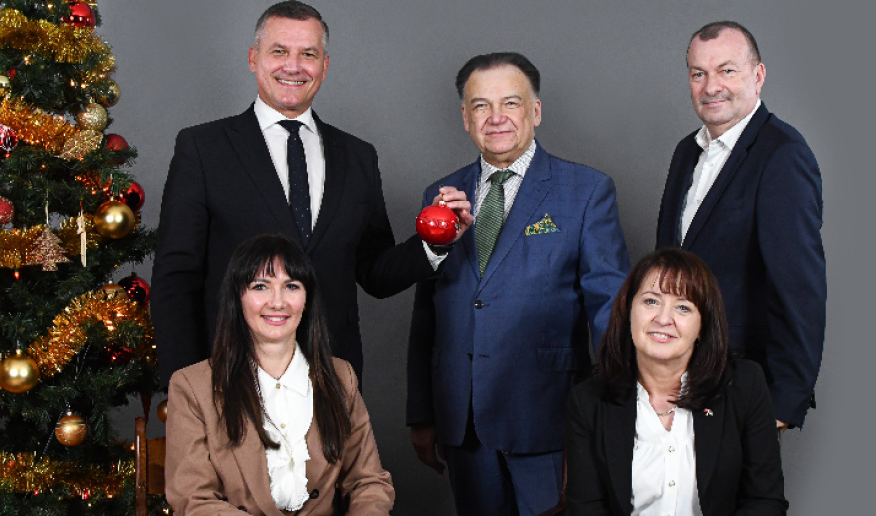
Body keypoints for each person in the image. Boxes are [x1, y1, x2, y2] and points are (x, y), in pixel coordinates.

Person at [151, 0, 471, 388]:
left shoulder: (357, 156)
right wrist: (185, 387)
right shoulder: (203, 148)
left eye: (308, 54)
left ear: (324, 65)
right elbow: (175, 279)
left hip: (331, 379)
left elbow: (374, 272)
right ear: (253, 58)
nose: (293, 66)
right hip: (232, 380)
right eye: (279, 51)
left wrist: (433, 244)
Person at [406, 52, 630, 515]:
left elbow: (610, 309)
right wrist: (422, 413)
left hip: (549, 420)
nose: (496, 117)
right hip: (463, 422)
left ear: (536, 111)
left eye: (510, 102)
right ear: (465, 118)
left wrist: (614, 409)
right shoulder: (441, 195)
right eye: (481, 106)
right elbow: (428, 313)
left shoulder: (586, 191)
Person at [656, 21, 826, 430]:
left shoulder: (782, 155)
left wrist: (783, 405)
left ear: (758, 75)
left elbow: (799, 288)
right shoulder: (686, 152)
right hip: (679, 379)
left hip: (744, 386)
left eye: (727, 71)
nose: (711, 86)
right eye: (699, 74)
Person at [166, 234, 393, 515]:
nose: (277, 302)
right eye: (260, 286)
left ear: (306, 299)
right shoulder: (192, 386)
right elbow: (193, 499)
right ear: (238, 297)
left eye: (291, 286)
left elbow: (367, 483)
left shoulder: (340, 376)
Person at [567, 249, 788, 516]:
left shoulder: (744, 385)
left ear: (703, 325)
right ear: (628, 311)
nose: (663, 319)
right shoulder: (589, 400)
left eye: (683, 307)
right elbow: (586, 509)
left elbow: (765, 501)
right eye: (651, 301)